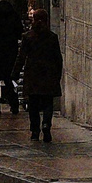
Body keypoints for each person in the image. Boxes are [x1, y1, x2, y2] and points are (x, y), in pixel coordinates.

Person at [21, 10, 63, 143]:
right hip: (48, 74)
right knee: (47, 102)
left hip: (33, 74)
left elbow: (21, 57)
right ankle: (46, 125)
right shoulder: (52, 37)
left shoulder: (28, 37)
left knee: (33, 104)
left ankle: (34, 131)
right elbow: (58, 59)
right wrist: (57, 75)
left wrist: (15, 73)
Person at [0, 0, 24, 115]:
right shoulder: (13, 13)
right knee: (9, 78)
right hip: (10, 50)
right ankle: (14, 104)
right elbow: (19, 31)